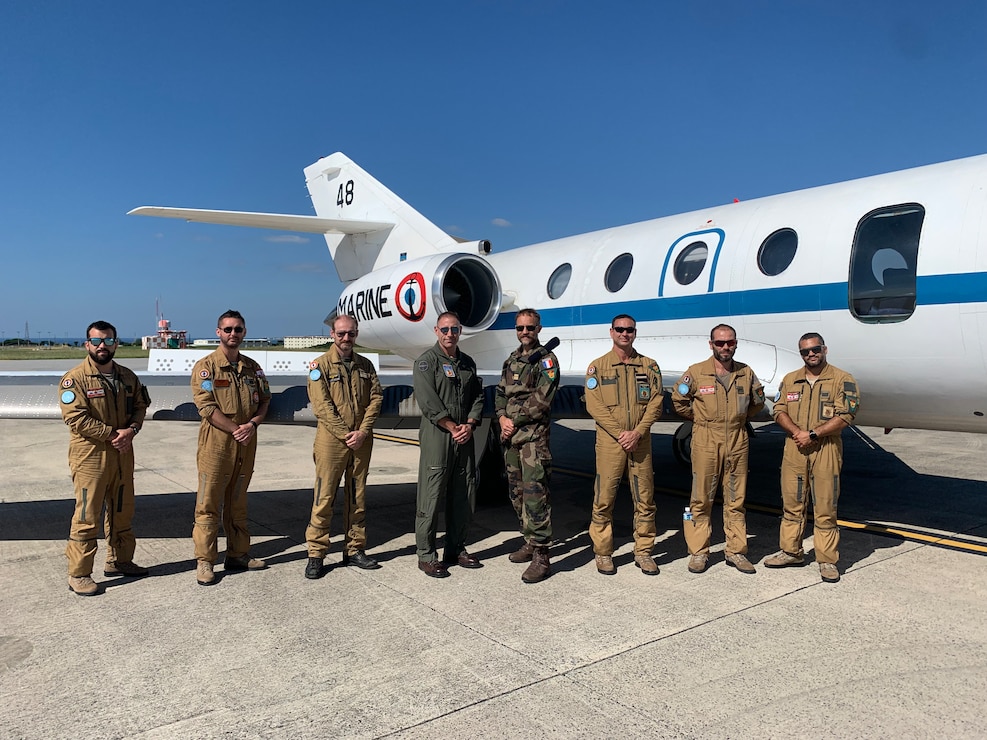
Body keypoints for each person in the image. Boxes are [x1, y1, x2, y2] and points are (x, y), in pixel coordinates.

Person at [59, 321, 151, 596]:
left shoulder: (127, 376)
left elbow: (140, 406)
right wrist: (113, 434)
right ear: (87, 344)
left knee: (122, 511)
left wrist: (131, 430)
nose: (103, 346)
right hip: (91, 457)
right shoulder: (74, 379)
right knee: (87, 516)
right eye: (97, 341)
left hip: (123, 454)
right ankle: (79, 573)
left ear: (116, 343)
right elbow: (75, 418)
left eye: (108, 341)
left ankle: (119, 560)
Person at [765, 333, 860, 583]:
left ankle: (827, 560)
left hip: (826, 448)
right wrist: (798, 433)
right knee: (792, 504)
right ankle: (790, 552)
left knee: (826, 506)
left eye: (815, 349)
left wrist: (814, 433)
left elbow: (847, 414)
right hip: (795, 447)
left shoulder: (842, 379)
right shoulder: (791, 379)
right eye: (805, 351)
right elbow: (779, 409)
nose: (811, 354)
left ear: (824, 349)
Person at [672, 324, 765, 575]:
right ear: (710, 344)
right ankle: (698, 552)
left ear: (736, 344)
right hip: (705, 439)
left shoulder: (746, 373)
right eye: (720, 343)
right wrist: (701, 420)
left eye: (730, 343)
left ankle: (736, 551)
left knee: (736, 499)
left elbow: (757, 402)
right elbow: (679, 401)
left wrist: (737, 418)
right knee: (700, 499)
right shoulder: (697, 372)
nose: (725, 347)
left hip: (737, 438)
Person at [190, 309, 271, 586]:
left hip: (246, 443)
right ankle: (205, 561)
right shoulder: (206, 367)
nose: (233, 334)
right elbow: (206, 407)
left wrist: (253, 425)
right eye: (228, 329)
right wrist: (237, 429)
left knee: (238, 501)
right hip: (217, 445)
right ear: (218, 333)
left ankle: (238, 553)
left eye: (238, 329)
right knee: (208, 504)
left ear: (244, 332)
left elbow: (264, 401)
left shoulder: (252, 367)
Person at [304, 314, 384, 579]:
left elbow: (376, 398)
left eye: (351, 334)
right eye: (341, 334)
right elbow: (322, 406)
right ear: (332, 335)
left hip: (360, 440)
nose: (346, 338)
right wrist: (346, 433)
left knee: (357, 496)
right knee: (324, 497)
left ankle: (355, 549)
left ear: (356, 334)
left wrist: (362, 431)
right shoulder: (321, 366)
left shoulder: (366, 365)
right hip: (331, 441)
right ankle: (316, 553)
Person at [584, 314, 664, 576]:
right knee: (604, 498)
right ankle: (603, 553)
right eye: (619, 329)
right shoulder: (598, 368)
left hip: (640, 443)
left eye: (629, 330)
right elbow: (594, 405)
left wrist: (638, 432)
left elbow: (656, 402)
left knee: (645, 499)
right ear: (611, 332)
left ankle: (643, 552)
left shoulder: (649, 366)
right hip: (611, 443)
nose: (624, 334)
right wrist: (621, 433)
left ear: (635, 332)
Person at [412, 311, 484, 578]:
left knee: (463, 494)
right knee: (431, 496)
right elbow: (428, 401)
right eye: (445, 329)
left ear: (460, 330)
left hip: (463, 435)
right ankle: (426, 555)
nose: (449, 334)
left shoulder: (467, 363)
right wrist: (453, 427)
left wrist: (471, 423)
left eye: (454, 329)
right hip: (438, 436)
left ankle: (455, 548)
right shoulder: (426, 363)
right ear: (436, 331)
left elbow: (477, 397)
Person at [495, 309, 560, 584]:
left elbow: (542, 401)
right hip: (511, 437)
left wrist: (514, 419)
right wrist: (501, 418)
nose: (525, 332)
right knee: (517, 492)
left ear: (539, 328)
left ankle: (542, 555)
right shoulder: (512, 360)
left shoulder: (547, 361)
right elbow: (500, 393)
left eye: (530, 328)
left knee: (536, 495)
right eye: (520, 328)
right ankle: (529, 540)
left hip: (533, 438)